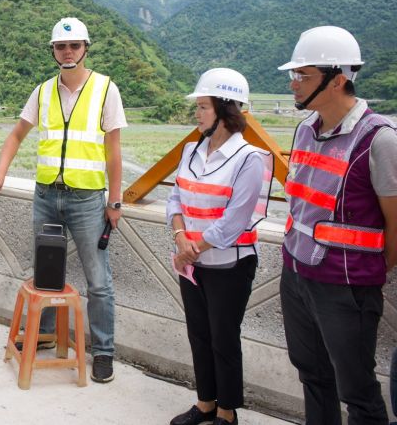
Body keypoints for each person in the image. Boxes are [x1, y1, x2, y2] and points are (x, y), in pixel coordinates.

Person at [0, 17, 125, 383]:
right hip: (46, 195)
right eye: (61, 46)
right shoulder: (42, 92)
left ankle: (103, 351)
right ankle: (42, 336)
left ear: (85, 48)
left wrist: (116, 201)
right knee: (46, 271)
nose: (68, 52)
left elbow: (114, 152)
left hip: (88, 200)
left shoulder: (106, 90)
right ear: (53, 51)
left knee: (98, 280)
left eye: (74, 46)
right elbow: (15, 135)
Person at [278, 26, 397, 425]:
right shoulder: (305, 130)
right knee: (313, 376)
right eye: (293, 75)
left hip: (346, 288)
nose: (294, 83)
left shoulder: (379, 139)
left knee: (357, 392)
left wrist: (366, 278)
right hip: (296, 273)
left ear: (338, 78)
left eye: (303, 75)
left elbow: (395, 226)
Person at [166, 68, 273, 425]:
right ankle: (206, 403)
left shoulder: (249, 159)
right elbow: (175, 197)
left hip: (230, 265)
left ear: (227, 111)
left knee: (223, 338)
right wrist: (180, 235)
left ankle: (227, 413)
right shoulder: (191, 150)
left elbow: (233, 223)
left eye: (203, 107)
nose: (196, 114)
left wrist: (188, 248)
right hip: (193, 263)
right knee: (199, 334)